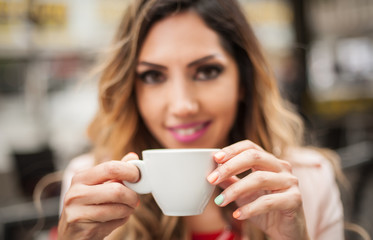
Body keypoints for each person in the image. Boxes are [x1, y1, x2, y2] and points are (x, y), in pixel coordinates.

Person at [57, 0, 344, 239]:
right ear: (132, 90)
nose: (183, 106)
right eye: (153, 76)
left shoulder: (307, 181)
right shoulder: (93, 186)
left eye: (207, 71)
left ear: (243, 81)